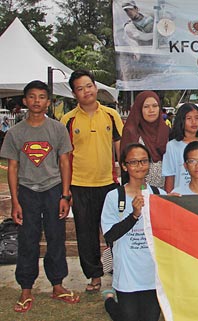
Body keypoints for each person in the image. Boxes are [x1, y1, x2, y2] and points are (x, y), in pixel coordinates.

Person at [2, 81, 79, 313]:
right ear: (25, 101)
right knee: (28, 239)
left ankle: (58, 285)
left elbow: (65, 162)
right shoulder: (15, 133)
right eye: (32, 97)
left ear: (48, 101)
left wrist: (65, 195)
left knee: (56, 238)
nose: (37, 101)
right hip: (27, 192)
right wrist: (15, 201)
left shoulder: (57, 129)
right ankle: (26, 288)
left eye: (42, 96)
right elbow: (13, 168)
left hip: (53, 190)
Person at [61, 69, 124, 293]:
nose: (86, 91)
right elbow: (65, 159)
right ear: (74, 93)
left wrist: (124, 181)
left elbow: (120, 149)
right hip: (80, 186)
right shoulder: (67, 120)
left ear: (96, 87)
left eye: (89, 86)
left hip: (108, 184)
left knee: (115, 233)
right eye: (80, 88)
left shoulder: (111, 115)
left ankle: (121, 275)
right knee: (86, 234)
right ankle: (95, 276)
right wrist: (66, 192)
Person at [101, 143, 163, 321]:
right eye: (133, 162)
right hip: (127, 275)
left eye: (144, 161)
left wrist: (175, 205)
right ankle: (110, 302)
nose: (139, 166)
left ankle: (110, 300)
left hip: (152, 274)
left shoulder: (159, 194)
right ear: (124, 166)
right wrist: (134, 215)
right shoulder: (114, 197)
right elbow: (110, 235)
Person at [120, 91, 169, 188]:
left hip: (164, 190)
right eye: (146, 107)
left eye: (155, 106)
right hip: (139, 190)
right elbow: (126, 163)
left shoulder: (166, 131)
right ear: (139, 109)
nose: (151, 110)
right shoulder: (131, 131)